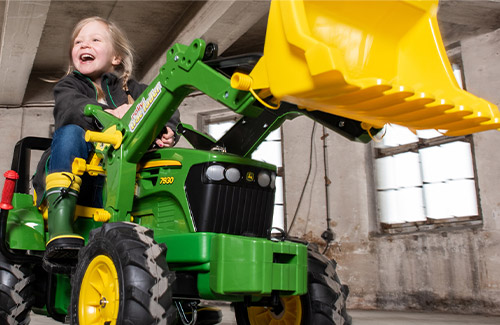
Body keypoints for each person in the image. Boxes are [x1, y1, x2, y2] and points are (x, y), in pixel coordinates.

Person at [41, 16, 180, 263]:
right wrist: (110, 113)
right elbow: (71, 108)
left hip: (118, 181)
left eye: (95, 40)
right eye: (78, 42)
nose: (84, 45)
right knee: (71, 131)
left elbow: (161, 104)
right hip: (79, 177)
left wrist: (167, 129)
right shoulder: (68, 86)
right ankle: (60, 221)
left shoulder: (132, 90)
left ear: (116, 57)